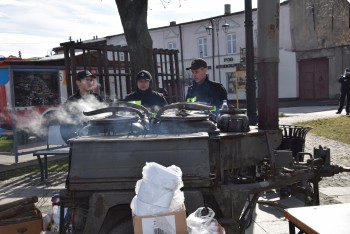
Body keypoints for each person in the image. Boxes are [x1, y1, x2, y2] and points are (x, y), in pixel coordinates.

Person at [59, 70, 105, 142]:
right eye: (87, 80)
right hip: (80, 141)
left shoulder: (98, 99)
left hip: (98, 139)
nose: (90, 82)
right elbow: (64, 124)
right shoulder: (71, 101)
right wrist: (72, 141)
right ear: (78, 82)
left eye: (91, 80)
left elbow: (105, 118)